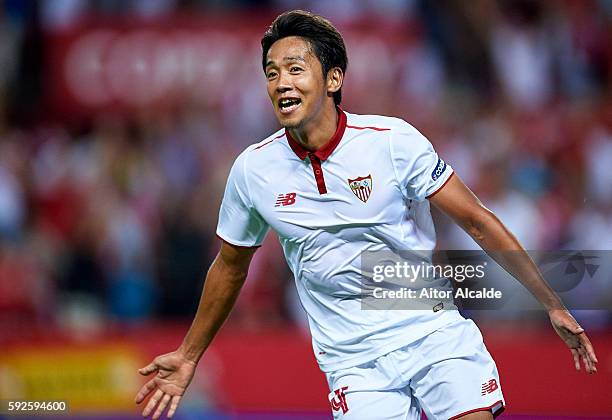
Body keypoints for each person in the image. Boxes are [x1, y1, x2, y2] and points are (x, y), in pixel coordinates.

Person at [134, 10, 598, 420]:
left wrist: (552, 301)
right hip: (353, 363)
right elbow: (230, 267)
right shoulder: (253, 170)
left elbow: (476, 219)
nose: (281, 83)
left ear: (333, 79)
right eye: (272, 73)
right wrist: (190, 355)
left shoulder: (392, 142)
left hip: (431, 331)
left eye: (296, 69)